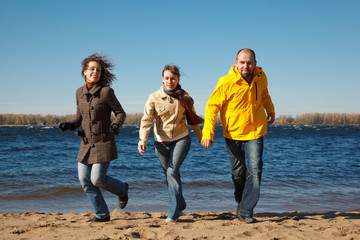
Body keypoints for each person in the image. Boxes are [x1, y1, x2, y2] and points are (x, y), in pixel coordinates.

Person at [201, 48, 275, 223]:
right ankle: (241, 204)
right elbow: (212, 107)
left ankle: (246, 211)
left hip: (255, 131)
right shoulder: (226, 82)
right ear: (236, 63)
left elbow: (264, 95)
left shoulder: (261, 77)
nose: (245, 66)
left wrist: (270, 110)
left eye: (249, 62)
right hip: (232, 133)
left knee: (255, 171)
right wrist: (207, 133)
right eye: (242, 62)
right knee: (238, 173)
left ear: (255, 63)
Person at [59, 53, 129, 222]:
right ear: (84, 72)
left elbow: (120, 113)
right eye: (91, 69)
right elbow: (79, 117)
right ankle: (102, 214)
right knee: (85, 180)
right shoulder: (79, 93)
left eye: (98, 70)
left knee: (97, 179)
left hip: (104, 141)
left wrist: (116, 125)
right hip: (86, 143)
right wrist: (69, 125)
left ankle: (122, 190)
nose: (95, 72)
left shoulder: (106, 92)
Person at [138, 65, 203, 223]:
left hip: (181, 138)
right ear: (162, 79)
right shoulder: (154, 97)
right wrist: (143, 140)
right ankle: (180, 202)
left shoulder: (184, 97)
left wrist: (201, 137)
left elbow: (192, 120)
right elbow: (146, 121)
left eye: (173, 78)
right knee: (170, 175)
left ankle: (174, 212)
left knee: (172, 172)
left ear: (178, 79)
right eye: (167, 78)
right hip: (160, 142)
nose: (169, 81)